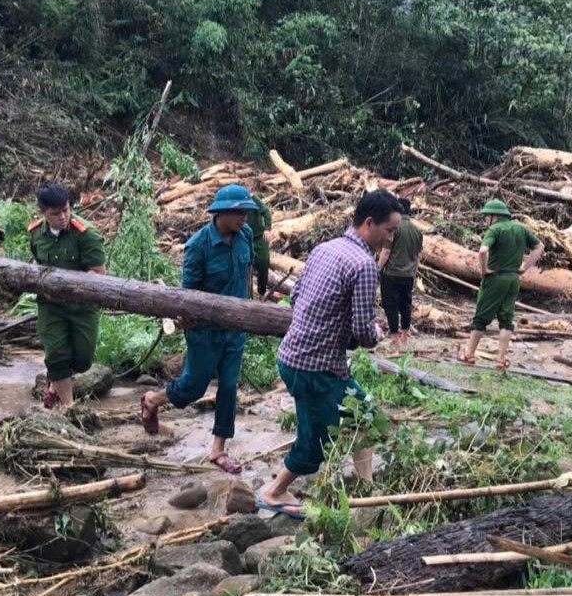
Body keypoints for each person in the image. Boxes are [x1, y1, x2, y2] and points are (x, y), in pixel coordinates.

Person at [258, 190, 403, 520]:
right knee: (314, 442)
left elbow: (295, 300)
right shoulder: (365, 265)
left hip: (300, 358)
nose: (391, 238)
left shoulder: (325, 249)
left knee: (364, 414)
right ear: (369, 224)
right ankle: (274, 492)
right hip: (314, 368)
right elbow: (364, 331)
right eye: (390, 230)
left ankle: (365, 489)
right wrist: (375, 333)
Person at [139, 184, 258, 473]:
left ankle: (218, 450)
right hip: (205, 331)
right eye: (239, 212)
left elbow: (248, 272)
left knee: (229, 386)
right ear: (221, 213)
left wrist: (252, 307)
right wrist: (184, 317)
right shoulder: (198, 246)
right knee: (193, 388)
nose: (244, 217)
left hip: (235, 329)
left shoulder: (246, 236)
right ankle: (153, 399)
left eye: (246, 212)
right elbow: (187, 293)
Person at [29, 183, 107, 409]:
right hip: (50, 306)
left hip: (82, 307)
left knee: (83, 361)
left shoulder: (86, 234)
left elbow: (99, 274)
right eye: (55, 214)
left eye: (66, 210)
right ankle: (69, 408)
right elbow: (37, 263)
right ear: (43, 213)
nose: (63, 217)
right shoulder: (36, 233)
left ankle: (54, 384)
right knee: (55, 355)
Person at [457, 199, 544, 370]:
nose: (485, 220)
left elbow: (482, 251)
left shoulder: (494, 230)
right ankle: (501, 359)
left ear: (493, 216)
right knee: (506, 319)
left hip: (496, 278)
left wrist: (484, 270)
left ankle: (469, 354)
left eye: (487, 216)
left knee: (481, 318)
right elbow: (539, 246)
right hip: (513, 279)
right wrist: (525, 267)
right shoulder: (520, 228)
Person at [379, 198, 424, 350]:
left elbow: (386, 252)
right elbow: (418, 257)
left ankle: (395, 338)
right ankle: (405, 336)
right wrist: (414, 273)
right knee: (406, 305)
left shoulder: (394, 228)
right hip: (408, 275)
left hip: (392, 273)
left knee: (390, 305)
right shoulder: (417, 231)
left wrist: (377, 269)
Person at [249, 194, 275, 297]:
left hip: (259, 237)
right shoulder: (236, 200)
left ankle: (261, 291)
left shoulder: (254, 199)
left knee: (264, 262)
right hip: (243, 236)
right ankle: (247, 294)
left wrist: (267, 229)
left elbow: (266, 212)